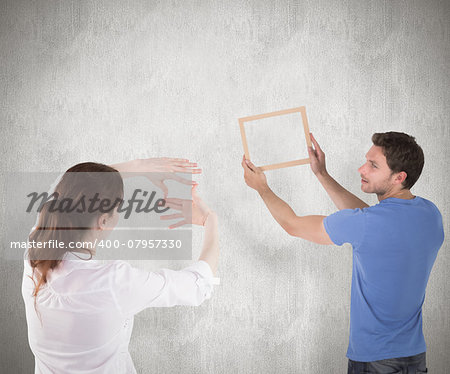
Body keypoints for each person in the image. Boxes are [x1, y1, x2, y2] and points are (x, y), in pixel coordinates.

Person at [242, 131, 443, 374]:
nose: (362, 169)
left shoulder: (368, 224)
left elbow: (292, 225)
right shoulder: (430, 214)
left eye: (373, 165)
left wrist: (261, 187)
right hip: (414, 357)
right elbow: (369, 220)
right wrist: (321, 174)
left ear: (399, 177)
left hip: (374, 361)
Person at [22, 158, 219, 374]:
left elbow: (63, 190)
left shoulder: (35, 255)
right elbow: (199, 284)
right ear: (103, 222)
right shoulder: (113, 283)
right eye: (118, 208)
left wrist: (140, 168)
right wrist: (210, 219)